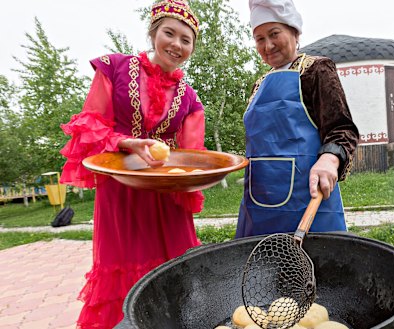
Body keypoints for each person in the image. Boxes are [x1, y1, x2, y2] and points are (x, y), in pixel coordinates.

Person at [59, 1, 205, 327]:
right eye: (169, 33)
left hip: (166, 200)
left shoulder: (191, 98)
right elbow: (88, 125)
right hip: (120, 192)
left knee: (174, 275)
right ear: (153, 33)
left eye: (186, 39)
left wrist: (195, 178)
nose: (177, 45)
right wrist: (125, 142)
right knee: (122, 272)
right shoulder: (114, 68)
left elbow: (195, 157)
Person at [236, 0, 360, 238]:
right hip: (257, 203)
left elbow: (342, 128)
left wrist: (330, 159)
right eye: (259, 38)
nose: (268, 45)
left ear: (294, 32)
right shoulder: (259, 84)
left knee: (317, 268)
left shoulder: (316, 70)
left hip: (307, 199)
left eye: (274, 34)